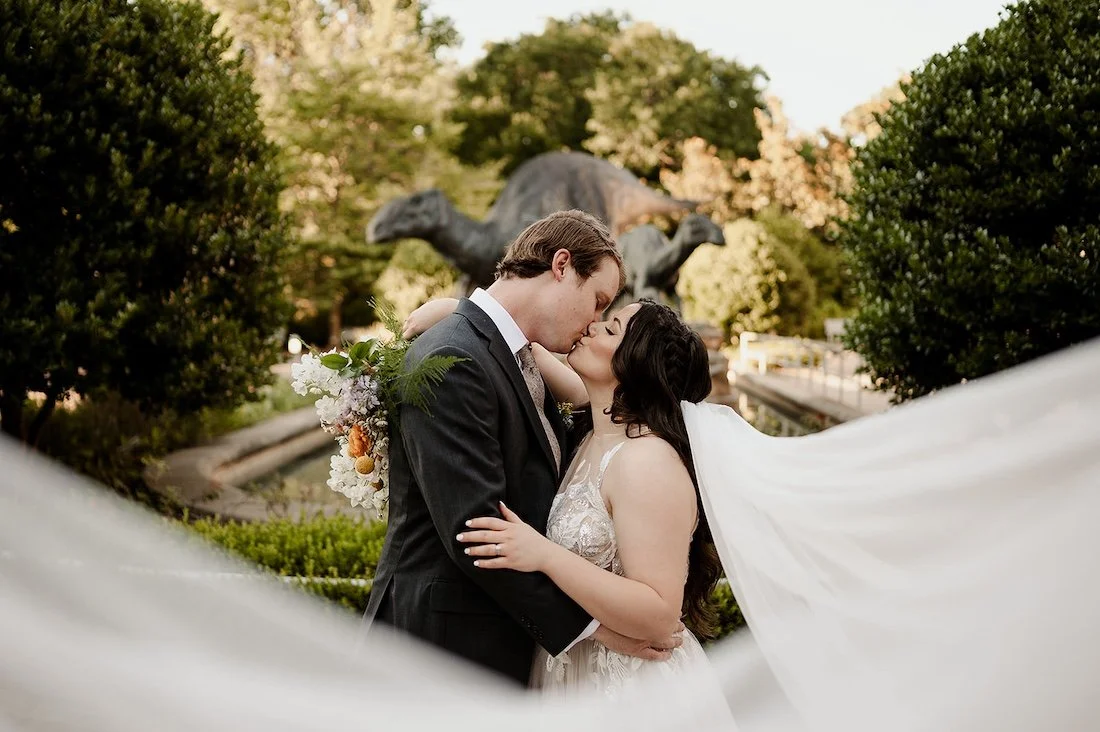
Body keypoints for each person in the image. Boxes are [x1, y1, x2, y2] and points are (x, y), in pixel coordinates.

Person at [363, 210, 683, 687]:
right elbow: (477, 535)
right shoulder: (454, 360)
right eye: (597, 300)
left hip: (495, 653)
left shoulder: (509, 353)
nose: (595, 322)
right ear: (560, 265)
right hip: (441, 653)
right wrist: (595, 630)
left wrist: (456, 306)